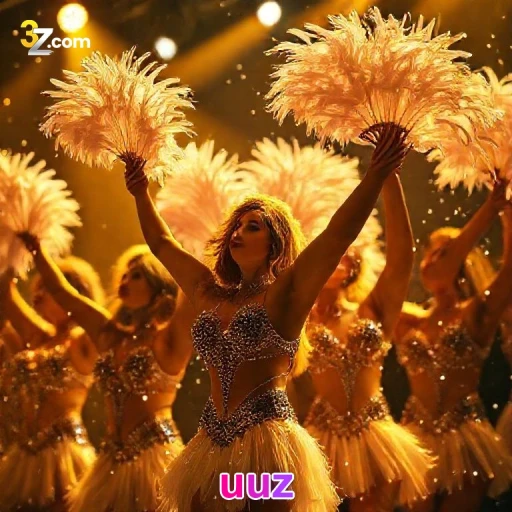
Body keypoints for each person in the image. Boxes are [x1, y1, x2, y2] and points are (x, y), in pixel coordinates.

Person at [122, 123, 409, 512]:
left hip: (268, 447)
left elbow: (336, 237)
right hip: (210, 444)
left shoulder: (285, 296)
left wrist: (377, 174)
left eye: (252, 227)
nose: (238, 232)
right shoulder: (209, 294)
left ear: (275, 244)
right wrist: (140, 192)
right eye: (237, 226)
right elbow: (161, 243)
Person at [15, 239, 193, 512]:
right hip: (109, 461)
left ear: (158, 286)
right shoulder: (109, 336)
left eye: (136, 275)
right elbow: (63, 292)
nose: (125, 279)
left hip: (154, 460)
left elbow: (194, 287)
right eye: (124, 274)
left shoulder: (167, 340)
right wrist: (37, 250)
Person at [304, 170, 433, 512]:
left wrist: (389, 176)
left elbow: (402, 258)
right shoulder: (299, 317)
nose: (339, 256)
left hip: (375, 434)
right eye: (332, 248)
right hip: (320, 436)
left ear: (354, 264)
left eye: (347, 251)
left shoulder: (372, 308)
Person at [395, 182, 512, 512]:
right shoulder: (408, 319)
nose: (432, 260)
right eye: (429, 253)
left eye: (444, 253)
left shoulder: (477, 313)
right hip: (416, 437)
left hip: (466, 438)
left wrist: (501, 213)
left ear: (460, 262)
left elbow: (510, 270)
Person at [0, 255, 104, 511]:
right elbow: (6, 295)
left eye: (47, 288)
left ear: (69, 293)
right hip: (23, 455)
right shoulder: (39, 338)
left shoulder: (83, 342)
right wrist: (12, 253)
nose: (37, 295)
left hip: (63, 459)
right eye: (37, 288)